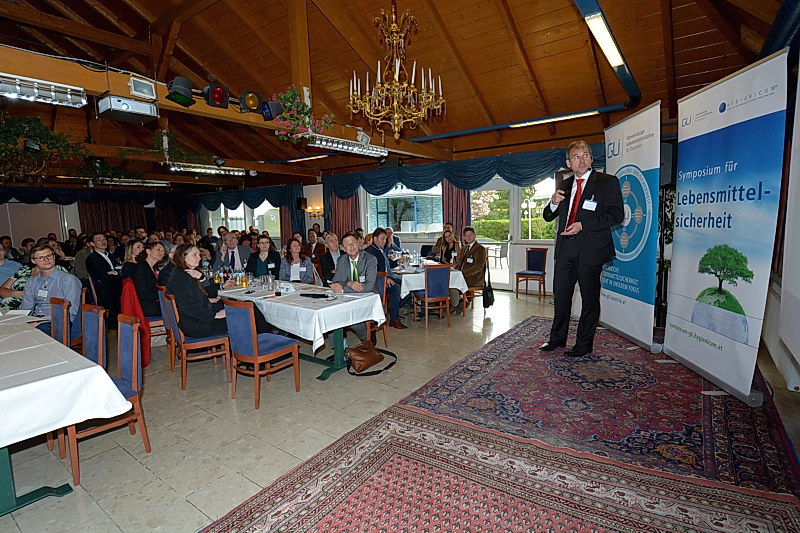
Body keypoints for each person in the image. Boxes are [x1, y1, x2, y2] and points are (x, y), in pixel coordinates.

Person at [541, 140, 624, 357]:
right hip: (565, 249)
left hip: (591, 250)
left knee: (589, 300)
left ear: (591, 158)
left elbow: (617, 215)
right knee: (561, 297)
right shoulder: (565, 184)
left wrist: (583, 225)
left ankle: (583, 345)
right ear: (569, 162)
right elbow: (548, 216)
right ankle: (557, 339)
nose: (582, 159)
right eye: (576, 156)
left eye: (585, 155)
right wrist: (553, 202)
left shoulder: (607, 182)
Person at [20, 244, 82, 339]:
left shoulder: (68, 279)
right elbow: (26, 308)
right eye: (41, 258)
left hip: (60, 321)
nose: (46, 260)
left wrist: (40, 322)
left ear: (54, 257)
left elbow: (71, 310)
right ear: (33, 261)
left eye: (49, 256)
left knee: (31, 336)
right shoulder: (32, 282)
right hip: (37, 319)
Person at [330, 232, 378, 342]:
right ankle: (340, 347)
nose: (351, 246)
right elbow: (336, 281)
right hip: (348, 298)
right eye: (347, 244)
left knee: (353, 320)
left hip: (368, 298)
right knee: (332, 315)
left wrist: (343, 289)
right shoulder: (341, 260)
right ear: (343, 249)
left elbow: (369, 286)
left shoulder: (370, 259)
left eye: (353, 242)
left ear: (358, 244)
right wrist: (349, 283)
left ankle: (368, 340)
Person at [365, 228, 407, 329]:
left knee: (405, 284)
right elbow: (370, 270)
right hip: (377, 282)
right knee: (396, 288)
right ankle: (394, 319)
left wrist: (397, 262)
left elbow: (387, 264)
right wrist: (385, 278)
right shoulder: (370, 252)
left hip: (386, 277)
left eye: (385, 239)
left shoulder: (380, 249)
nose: (384, 241)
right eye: (382, 239)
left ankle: (392, 308)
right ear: (375, 239)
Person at [85, 232, 122, 324]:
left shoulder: (110, 255)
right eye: (98, 240)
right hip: (105, 290)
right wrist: (114, 273)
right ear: (92, 244)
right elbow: (103, 277)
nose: (103, 242)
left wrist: (114, 272)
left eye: (104, 239)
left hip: (115, 285)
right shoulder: (92, 259)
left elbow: (118, 269)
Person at [449, 226, 487, 313]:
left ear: (475, 236)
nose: (468, 237)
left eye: (470, 235)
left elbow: (478, 267)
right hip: (462, 276)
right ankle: (459, 302)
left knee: (452, 283)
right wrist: (454, 268)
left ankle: (457, 303)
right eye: (466, 235)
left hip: (474, 277)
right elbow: (459, 262)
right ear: (464, 237)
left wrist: (462, 273)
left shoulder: (480, 249)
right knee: (447, 280)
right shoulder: (464, 248)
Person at [130, 242, 166, 317]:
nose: (161, 252)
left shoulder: (151, 267)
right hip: (147, 307)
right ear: (148, 251)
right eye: (158, 249)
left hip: (153, 303)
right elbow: (143, 294)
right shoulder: (141, 268)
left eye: (163, 250)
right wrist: (163, 293)